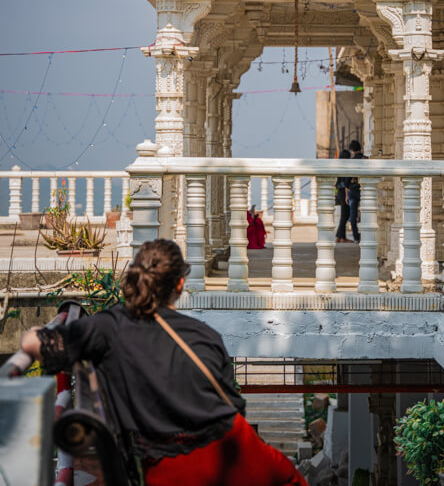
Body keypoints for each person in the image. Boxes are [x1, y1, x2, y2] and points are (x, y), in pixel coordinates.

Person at [20, 239, 307, 486]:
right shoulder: (205, 335)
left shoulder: (107, 328)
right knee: (292, 479)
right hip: (228, 446)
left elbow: (34, 344)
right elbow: (232, 403)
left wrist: (41, 332)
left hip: (167, 461)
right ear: (180, 285)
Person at [347, 139, 365, 243]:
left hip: (353, 189)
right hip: (364, 188)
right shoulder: (365, 159)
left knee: (353, 214)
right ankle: (366, 235)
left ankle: (356, 237)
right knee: (367, 211)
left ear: (352, 150)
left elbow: (347, 178)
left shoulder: (351, 161)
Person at [335, 148, 352, 243]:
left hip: (340, 192)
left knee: (344, 215)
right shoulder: (346, 167)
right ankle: (341, 237)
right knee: (345, 215)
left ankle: (340, 236)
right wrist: (347, 196)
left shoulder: (339, 166)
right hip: (344, 192)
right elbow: (345, 183)